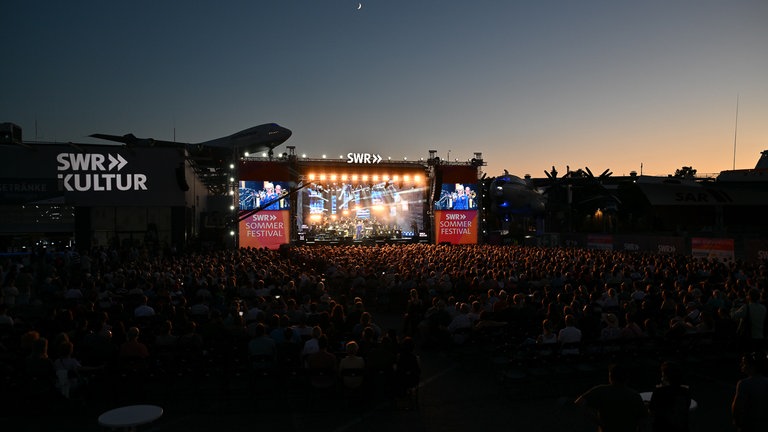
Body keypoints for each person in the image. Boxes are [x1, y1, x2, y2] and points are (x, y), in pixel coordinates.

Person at [575, 363, 647, 432]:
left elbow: (579, 402)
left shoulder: (601, 390)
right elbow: (642, 419)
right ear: (626, 378)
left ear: (610, 377)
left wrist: (597, 421)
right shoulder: (634, 395)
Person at [649, 361, 692, 432]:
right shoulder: (685, 391)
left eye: (663, 375)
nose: (661, 377)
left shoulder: (659, 391)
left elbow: (652, 411)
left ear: (666, 376)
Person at [731, 352, 768, 432]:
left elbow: (737, 407)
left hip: (749, 424)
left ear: (752, 366)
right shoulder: (766, 382)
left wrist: (737, 422)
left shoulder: (744, 384)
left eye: (744, 363)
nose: (741, 365)